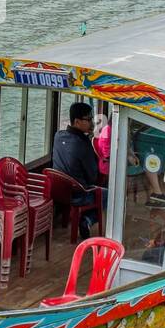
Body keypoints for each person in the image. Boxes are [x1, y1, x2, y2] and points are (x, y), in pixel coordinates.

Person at [52, 101, 107, 238]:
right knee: (109, 195)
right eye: (88, 120)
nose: (92, 124)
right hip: (78, 195)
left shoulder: (58, 136)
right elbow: (92, 177)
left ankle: (80, 217)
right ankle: (87, 220)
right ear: (77, 121)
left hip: (59, 192)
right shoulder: (83, 144)